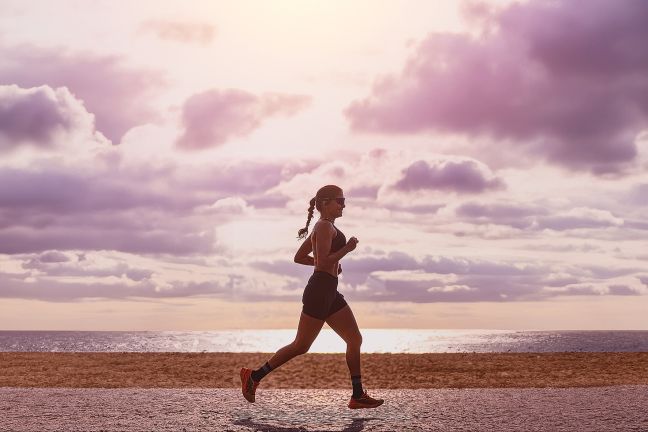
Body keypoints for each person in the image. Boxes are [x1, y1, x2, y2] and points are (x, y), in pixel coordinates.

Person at [240, 185, 384, 409]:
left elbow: (300, 257)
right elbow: (324, 260)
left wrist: (330, 264)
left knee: (354, 339)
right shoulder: (324, 226)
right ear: (325, 203)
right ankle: (254, 376)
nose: (344, 204)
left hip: (329, 290)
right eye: (340, 200)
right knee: (301, 345)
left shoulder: (323, 227)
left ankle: (357, 395)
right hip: (319, 291)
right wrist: (347, 249)